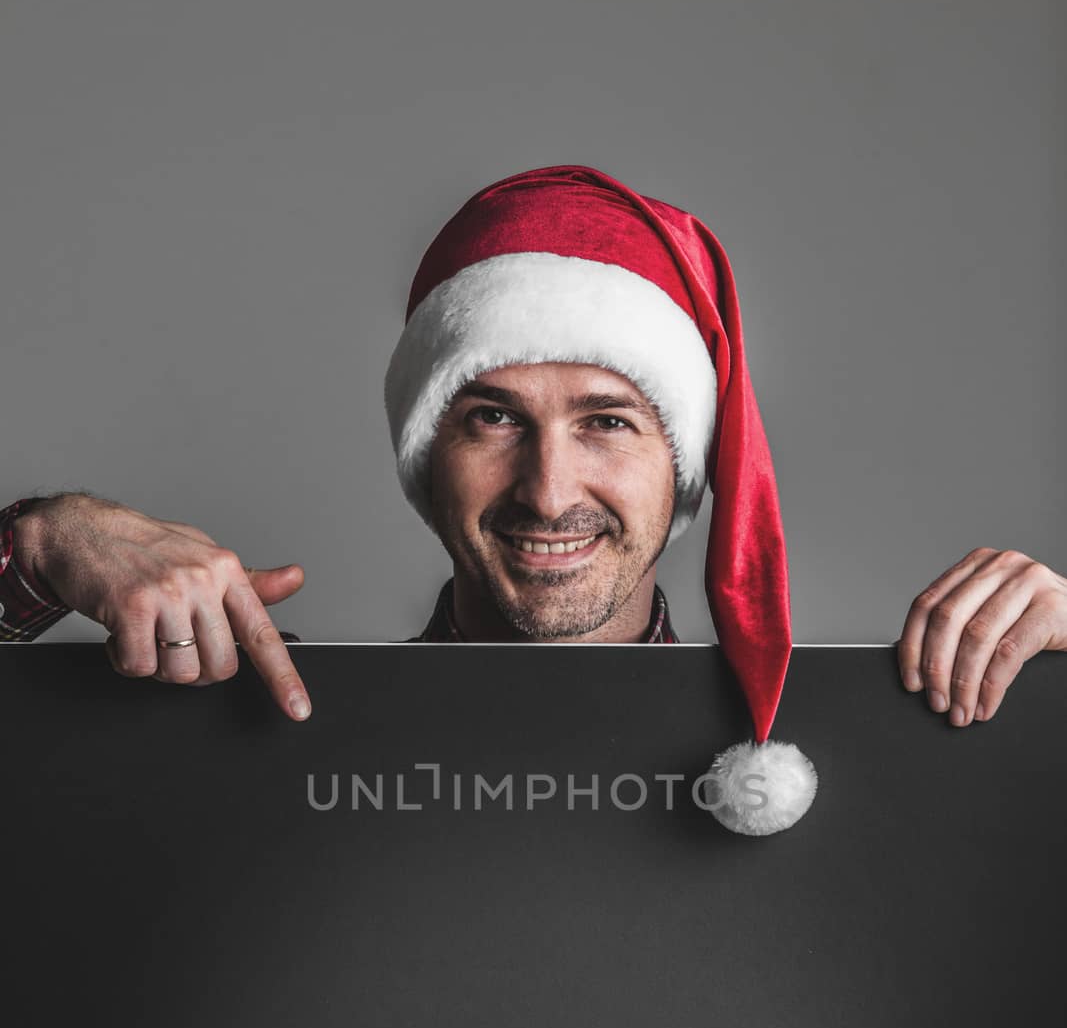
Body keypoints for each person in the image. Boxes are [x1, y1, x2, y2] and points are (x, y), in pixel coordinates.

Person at [3, 165, 1065, 744]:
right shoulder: (250, 737)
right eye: (492, 418)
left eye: (605, 420)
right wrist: (42, 543)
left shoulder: (884, 747)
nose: (549, 490)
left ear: (683, 464)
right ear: (423, 457)